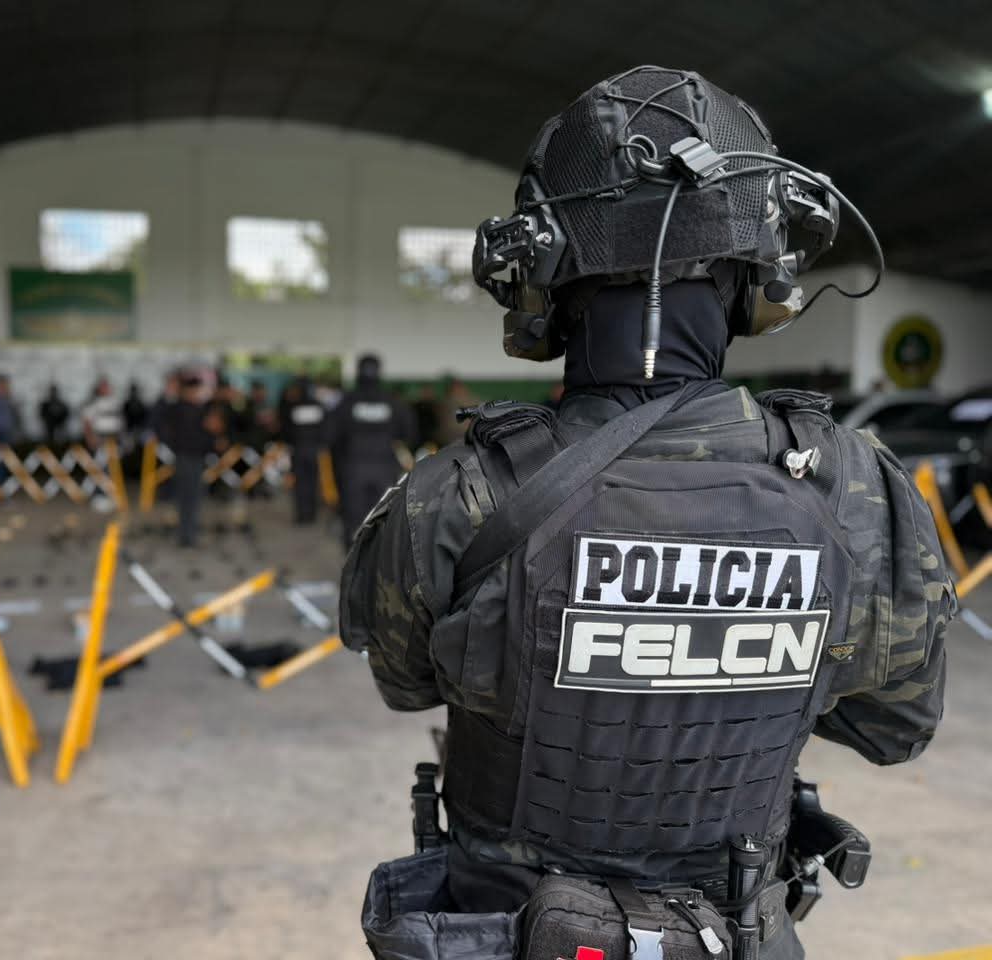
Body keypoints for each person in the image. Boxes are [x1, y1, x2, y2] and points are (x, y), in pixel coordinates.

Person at [340, 66, 952, 960]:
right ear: (760, 273)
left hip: (498, 931)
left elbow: (405, 682)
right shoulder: (854, 490)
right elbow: (893, 727)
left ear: (535, 277)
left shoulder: (456, 495)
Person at [327, 353, 414, 547]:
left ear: (358, 372)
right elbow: (407, 432)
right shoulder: (391, 402)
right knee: (382, 516)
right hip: (384, 467)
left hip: (353, 467)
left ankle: (354, 558)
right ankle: (378, 559)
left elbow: (330, 435)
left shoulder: (346, 401)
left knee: (353, 518)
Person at [156, 372, 220, 547]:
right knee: (188, 497)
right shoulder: (179, 409)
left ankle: (189, 534)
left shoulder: (197, 409)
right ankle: (186, 535)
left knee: (193, 497)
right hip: (186, 457)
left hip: (195, 457)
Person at [280, 376, 327, 524]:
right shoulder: (319, 406)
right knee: (313, 482)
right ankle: (311, 514)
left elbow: (286, 429)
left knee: (300, 484)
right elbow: (325, 428)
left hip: (298, 450)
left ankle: (302, 515)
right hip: (314, 450)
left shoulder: (292, 406)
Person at [81, 376, 123, 451]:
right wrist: (90, 438)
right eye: (103, 386)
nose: (105, 388)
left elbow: (121, 420)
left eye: (106, 386)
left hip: (115, 436)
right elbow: (87, 422)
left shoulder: (116, 402)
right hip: (99, 437)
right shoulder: (93, 402)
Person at [122, 381, 148, 446]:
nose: (134, 394)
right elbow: (124, 419)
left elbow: (144, 418)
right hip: (129, 431)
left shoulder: (141, 404)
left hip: (140, 431)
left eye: (135, 391)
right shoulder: (126, 404)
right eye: (133, 391)